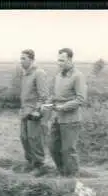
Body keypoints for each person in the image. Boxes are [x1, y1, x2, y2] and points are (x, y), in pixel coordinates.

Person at [42, 48, 88, 177]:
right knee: (53, 147)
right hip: (57, 119)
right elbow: (55, 95)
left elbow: (81, 99)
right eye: (58, 60)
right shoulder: (58, 76)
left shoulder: (78, 76)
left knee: (68, 150)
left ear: (70, 60)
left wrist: (63, 107)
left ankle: (72, 177)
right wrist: (48, 103)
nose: (59, 63)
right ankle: (63, 173)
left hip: (71, 120)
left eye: (62, 60)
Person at [18, 49, 51, 177]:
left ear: (31, 59)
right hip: (24, 111)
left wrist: (37, 111)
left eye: (24, 58)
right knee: (24, 138)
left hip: (33, 112)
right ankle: (30, 162)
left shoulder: (39, 73)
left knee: (34, 138)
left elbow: (44, 96)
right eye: (20, 58)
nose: (21, 61)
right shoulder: (25, 74)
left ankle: (40, 165)